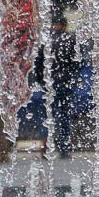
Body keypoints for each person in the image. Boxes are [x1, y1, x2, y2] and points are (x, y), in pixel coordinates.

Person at [36, 14, 79, 158]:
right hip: (65, 83)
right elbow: (77, 62)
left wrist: (41, 81)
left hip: (49, 84)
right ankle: (65, 149)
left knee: (48, 116)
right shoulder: (71, 40)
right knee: (65, 116)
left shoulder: (46, 40)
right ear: (64, 25)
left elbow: (38, 63)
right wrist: (72, 78)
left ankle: (45, 148)